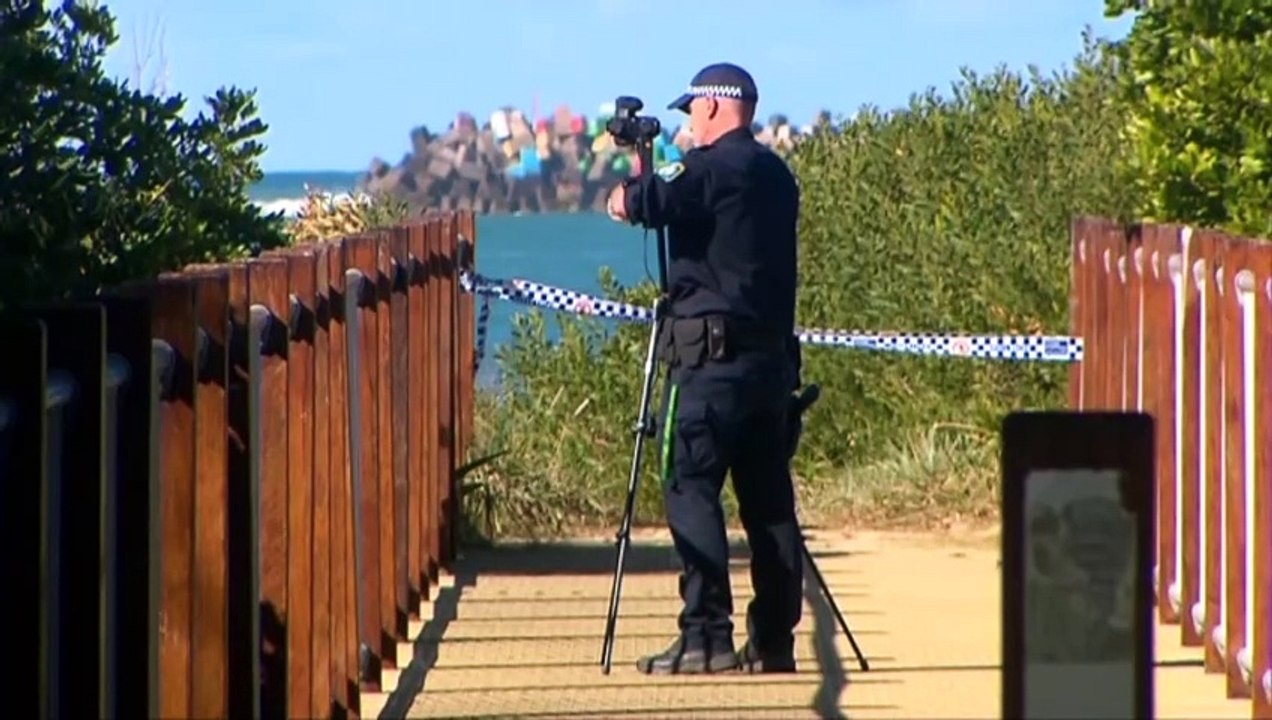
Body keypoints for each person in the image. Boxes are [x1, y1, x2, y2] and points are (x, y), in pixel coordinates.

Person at [606, 62, 804, 675]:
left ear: (715, 108)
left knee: (691, 490)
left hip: (708, 365)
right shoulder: (777, 174)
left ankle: (705, 636)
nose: (688, 123)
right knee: (768, 503)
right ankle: (773, 642)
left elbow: (638, 203)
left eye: (692, 111)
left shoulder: (709, 168)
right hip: (770, 364)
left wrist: (636, 172)